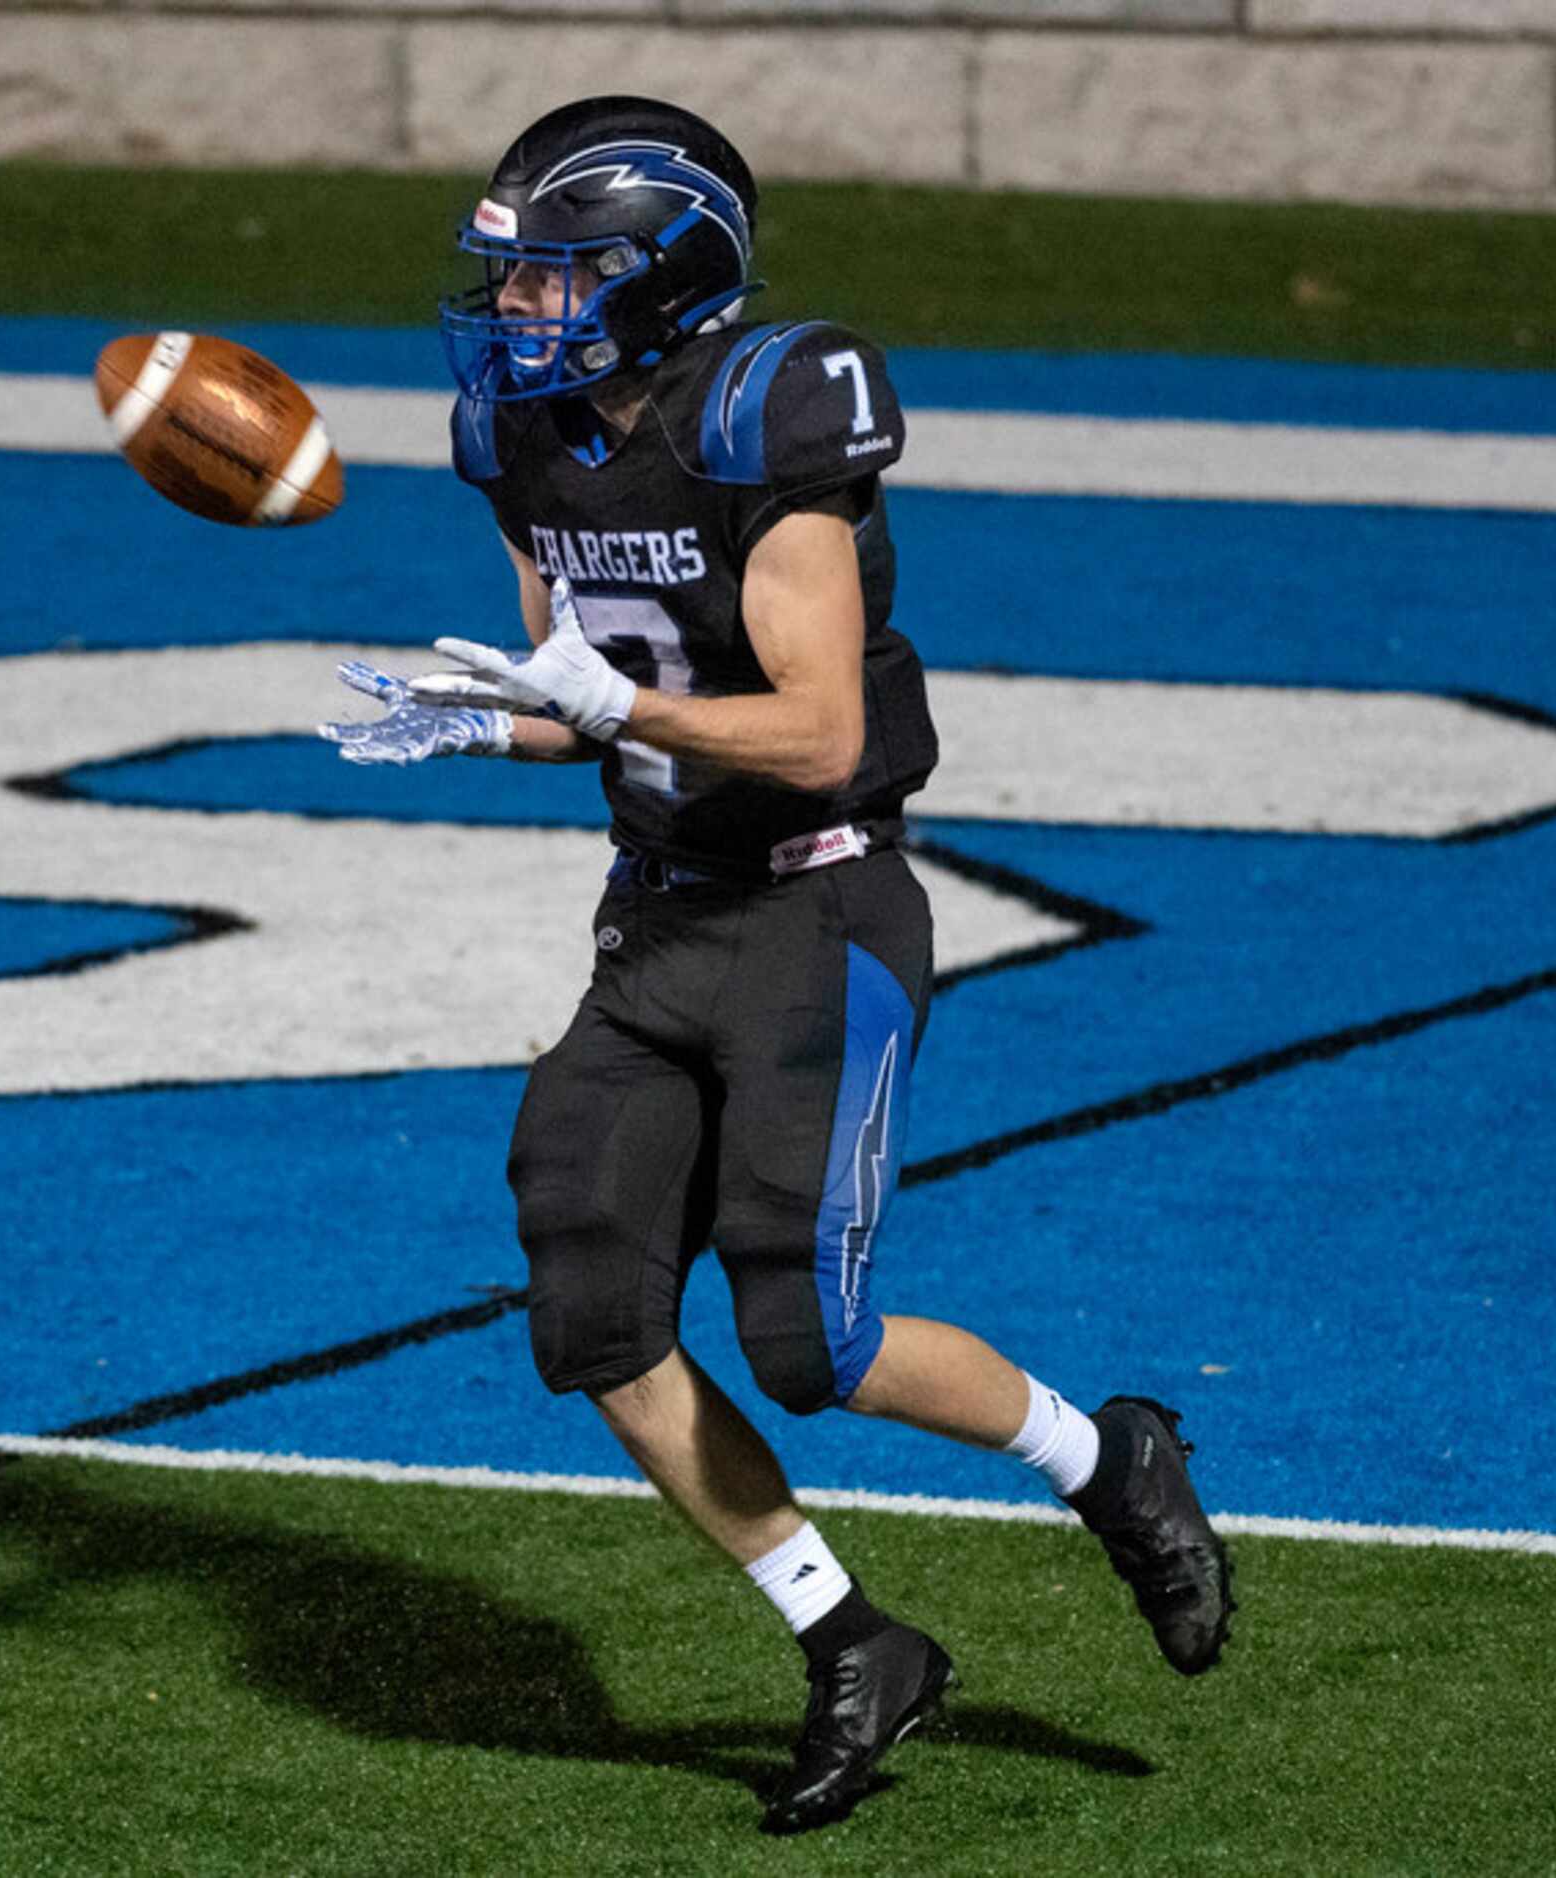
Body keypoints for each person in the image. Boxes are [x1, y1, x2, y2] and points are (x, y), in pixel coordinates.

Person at [318, 95, 1234, 1836]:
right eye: (512, 279)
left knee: (810, 1336)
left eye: (556, 278)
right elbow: (592, 695)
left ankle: (1103, 1456)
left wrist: (606, 704)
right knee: (590, 1296)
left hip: (815, 911)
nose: (516, 311)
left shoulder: (762, 408)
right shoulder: (512, 439)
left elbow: (814, 734)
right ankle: (850, 1637)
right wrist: (490, 717)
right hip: (658, 908)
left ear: (670, 276)